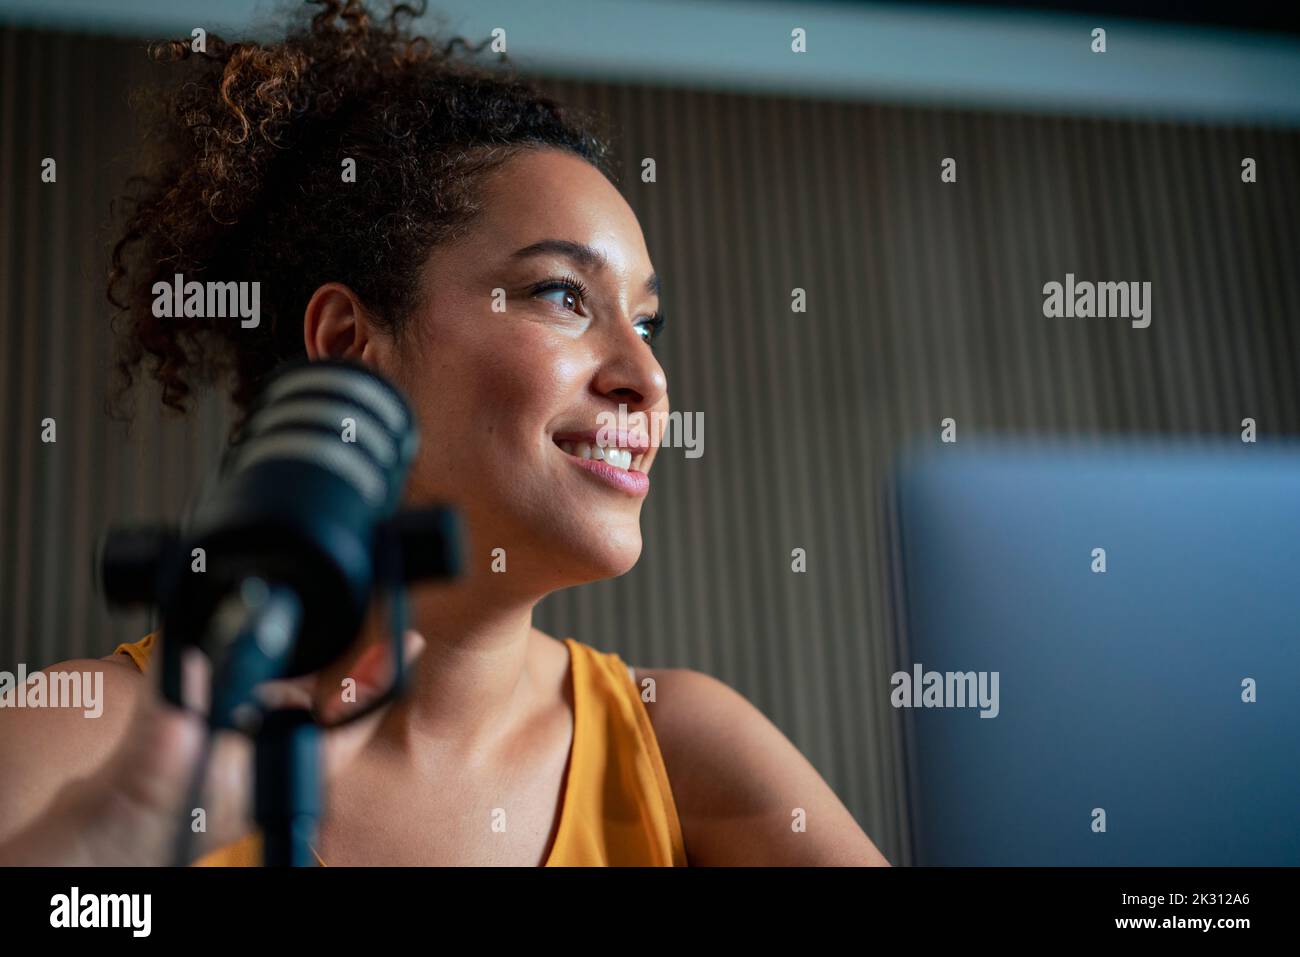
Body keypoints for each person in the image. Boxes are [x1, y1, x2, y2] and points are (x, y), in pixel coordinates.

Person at [0, 0, 889, 867]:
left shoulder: (683, 746)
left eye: (648, 324)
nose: (648, 379)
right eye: (562, 295)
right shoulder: (87, 746)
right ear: (351, 345)